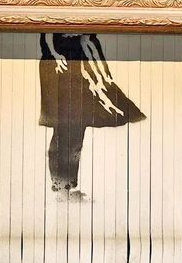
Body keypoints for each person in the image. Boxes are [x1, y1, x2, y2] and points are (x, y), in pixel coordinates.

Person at [39, 33, 144, 200]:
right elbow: (47, 32)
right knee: (64, 129)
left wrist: (102, 73)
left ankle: (66, 185)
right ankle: (60, 186)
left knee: (76, 129)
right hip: (60, 66)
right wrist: (55, 55)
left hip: (79, 66)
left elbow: (88, 39)